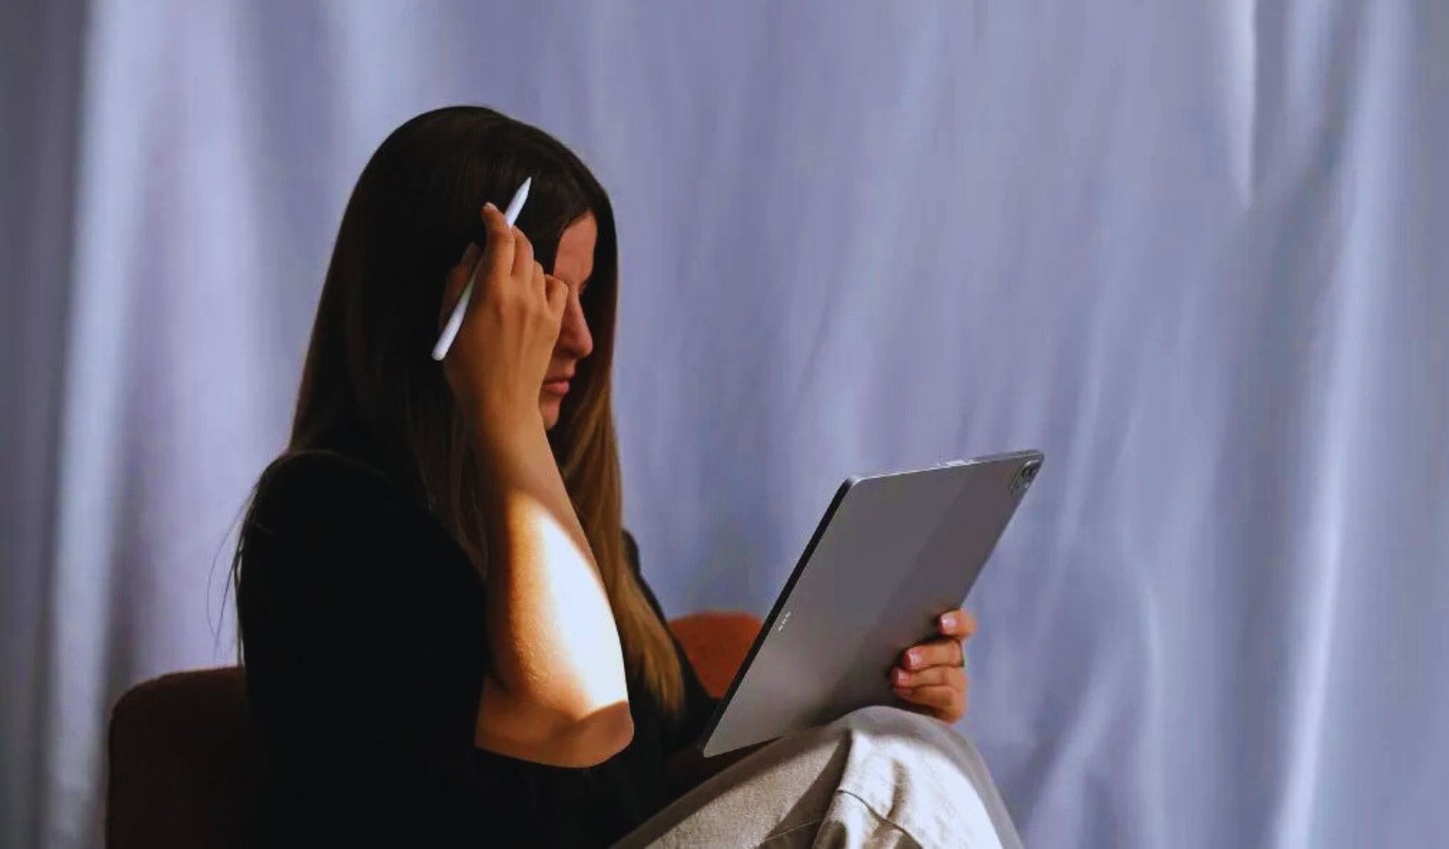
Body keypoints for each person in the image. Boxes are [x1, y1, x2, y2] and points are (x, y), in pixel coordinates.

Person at [233, 105, 1022, 848]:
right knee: (888, 777)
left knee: (901, 745)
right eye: (540, 298)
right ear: (444, 309)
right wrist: (502, 409)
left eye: (583, 295)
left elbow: (662, 782)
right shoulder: (321, 519)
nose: (578, 338)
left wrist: (867, 699)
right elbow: (574, 718)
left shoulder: (581, 542)